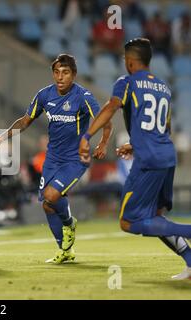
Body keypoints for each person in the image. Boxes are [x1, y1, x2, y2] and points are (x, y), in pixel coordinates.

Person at [79, 38, 191, 280]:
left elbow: (111, 107)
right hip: (166, 156)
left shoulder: (126, 82)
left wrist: (88, 135)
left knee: (128, 221)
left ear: (129, 62)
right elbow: (165, 128)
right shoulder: (164, 86)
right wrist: (135, 143)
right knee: (156, 215)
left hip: (149, 161)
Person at [0, 54, 112, 264]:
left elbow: (105, 120)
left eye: (65, 72)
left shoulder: (83, 96)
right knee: (48, 205)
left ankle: (69, 224)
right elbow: (25, 121)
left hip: (75, 159)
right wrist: (2, 137)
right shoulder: (44, 95)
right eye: (56, 72)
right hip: (52, 159)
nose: (60, 76)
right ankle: (64, 250)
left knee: (51, 195)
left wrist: (102, 143)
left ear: (73, 74)